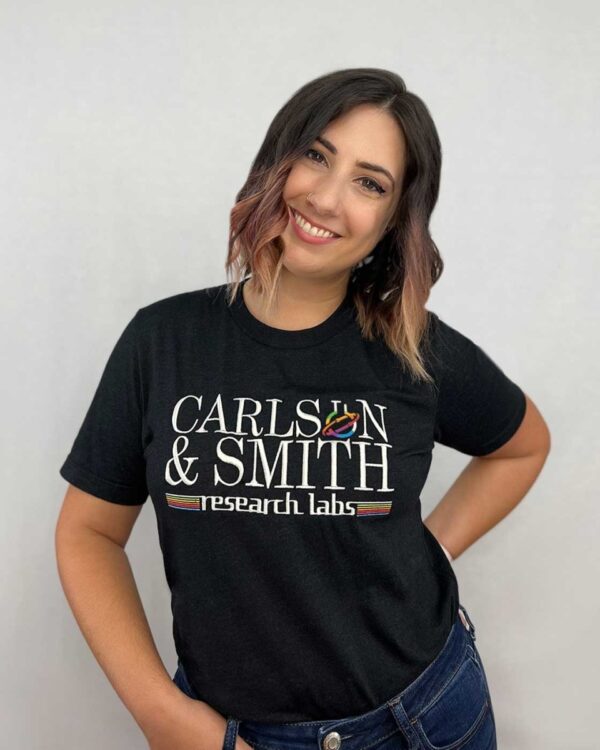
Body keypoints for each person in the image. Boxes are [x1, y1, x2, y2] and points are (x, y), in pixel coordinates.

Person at [55, 68, 551, 750]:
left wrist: (431, 544)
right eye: (317, 155)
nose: (326, 196)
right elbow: (88, 534)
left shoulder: (415, 349)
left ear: (391, 220)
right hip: (233, 735)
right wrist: (161, 714)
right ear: (277, 160)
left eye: (369, 182)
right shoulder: (163, 342)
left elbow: (523, 445)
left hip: (423, 717)